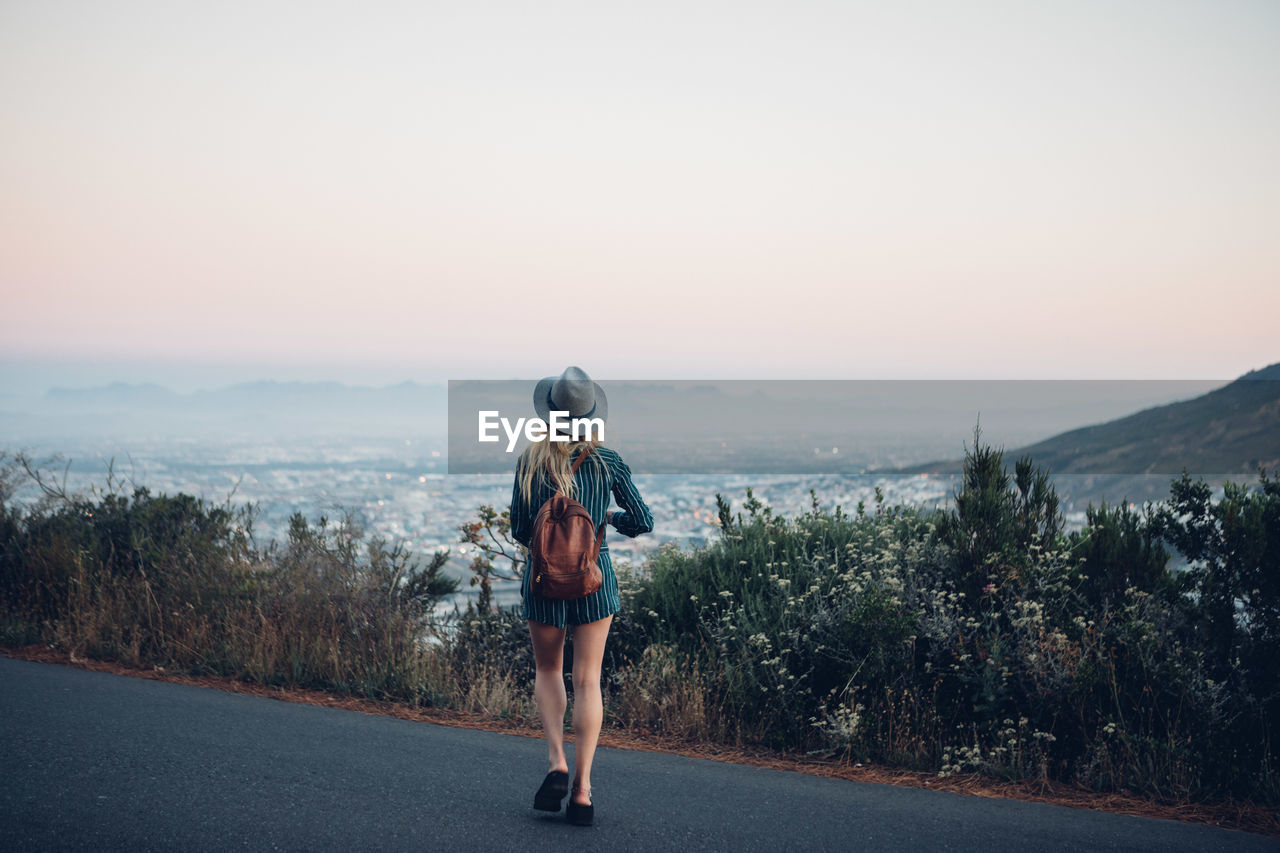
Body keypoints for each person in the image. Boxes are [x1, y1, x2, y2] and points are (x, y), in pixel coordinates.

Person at [509, 366, 653, 827]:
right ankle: (584, 793)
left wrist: (551, 543)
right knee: (587, 680)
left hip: (544, 581)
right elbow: (643, 519)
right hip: (596, 579)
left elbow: (517, 528)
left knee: (549, 669)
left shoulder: (531, 460)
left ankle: (556, 763)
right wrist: (605, 519)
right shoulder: (607, 460)